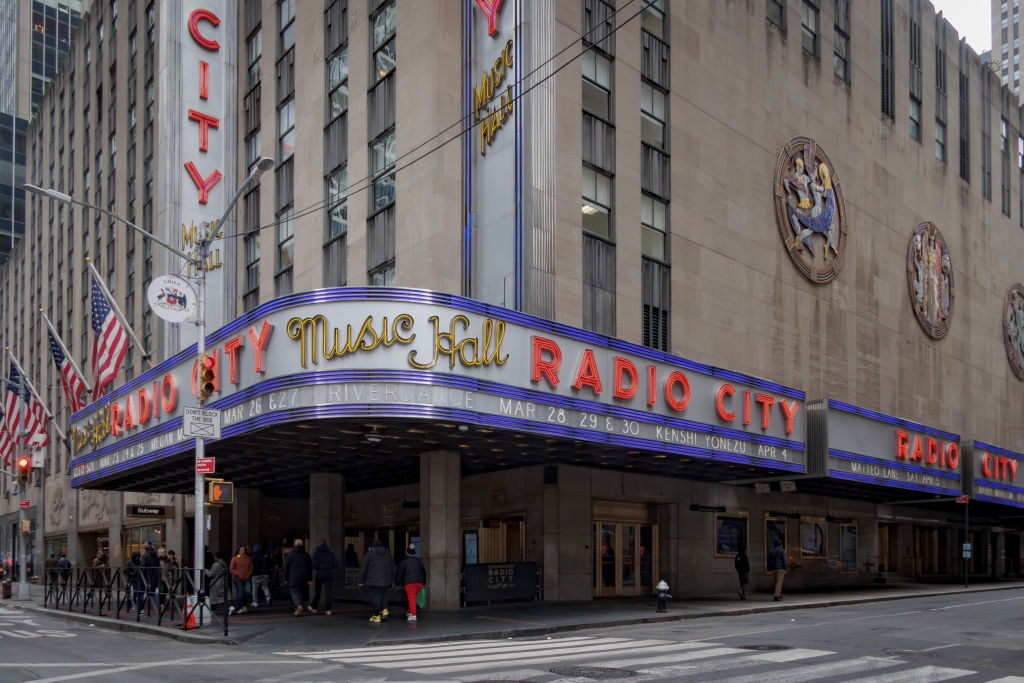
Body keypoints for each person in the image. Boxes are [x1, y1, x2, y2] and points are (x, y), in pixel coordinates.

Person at [358, 538, 395, 623]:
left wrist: (360, 580)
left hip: (373, 582)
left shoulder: (370, 554)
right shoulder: (388, 555)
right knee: (384, 596)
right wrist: (393, 581)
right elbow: (393, 569)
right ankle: (384, 610)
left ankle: (377, 615)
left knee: (376, 598)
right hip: (386, 581)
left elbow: (364, 568)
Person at [394, 544, 426, 622]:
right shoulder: (419, 561)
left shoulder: (403, 562)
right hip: (419, 583)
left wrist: (397, 583)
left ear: (406, 553)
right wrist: (423, 582)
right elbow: (424, 572)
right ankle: (410, 612)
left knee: (411, 599)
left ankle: (413, 615)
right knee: (413, 598)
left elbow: (399, 573)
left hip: (409, 583)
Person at [283, 538, 312, 616]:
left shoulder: (290, 555)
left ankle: (298, 606)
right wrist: (309, 579)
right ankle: (297, 609)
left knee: (294, 593)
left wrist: (285, 578)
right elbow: (309, 567)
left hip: (293, 578)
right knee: (300, 593)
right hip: (303, 578)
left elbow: (286, 567)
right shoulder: (306, 555)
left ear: (294, 545)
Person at [310, 538, 338, 616]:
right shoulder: (331, 553)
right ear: (326, 544)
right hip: (329, 574)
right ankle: (328, 610)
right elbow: (335, 564)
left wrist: (320, 567)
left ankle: (314, 607)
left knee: (318, 592)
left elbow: (314, 565)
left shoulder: (316, 554)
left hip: (319, 574)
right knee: (328, 593)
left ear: (319, 544)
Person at [229, 544, 253, 615]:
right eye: (241, 549)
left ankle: (244, 605)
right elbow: (231, 569)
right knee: (240, 593)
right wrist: (236, 574)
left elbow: (251, 566)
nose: (243, 551)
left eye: (244, 550)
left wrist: (249, 573)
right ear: (238, 551)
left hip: (247, 578)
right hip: (237, 578)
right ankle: (240, 607)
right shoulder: (235, 559)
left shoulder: (248, 558)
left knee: (248, 592)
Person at [139, 541, 161, 614]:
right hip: (154, 576)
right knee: (153, 593)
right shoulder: (156, 555)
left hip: (146, 577)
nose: (143, 545)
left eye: (144, 544)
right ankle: (158, 609)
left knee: (142, 593)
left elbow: (143, 567)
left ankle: (141, 610)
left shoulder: (145, 556)